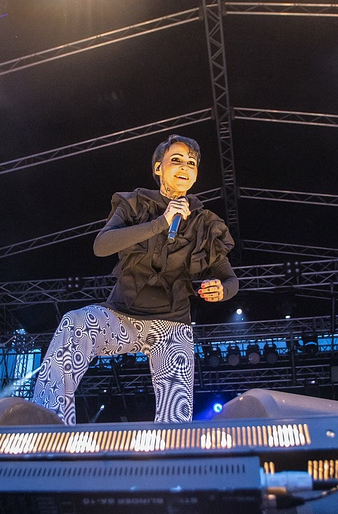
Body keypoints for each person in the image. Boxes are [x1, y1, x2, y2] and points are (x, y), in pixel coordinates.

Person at [30, 134, 238, 424]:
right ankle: (49, 425)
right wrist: (160, 223)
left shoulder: (205, 223)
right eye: (176, 160)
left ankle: (171, 448)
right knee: (75, 323)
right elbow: (102, 245)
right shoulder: (135, 204)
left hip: (171, 326)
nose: (184, 167)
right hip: (121, 317)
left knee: (176, 412)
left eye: (191, 163)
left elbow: (230, 279)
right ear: (158, 168)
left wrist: (222, 290)